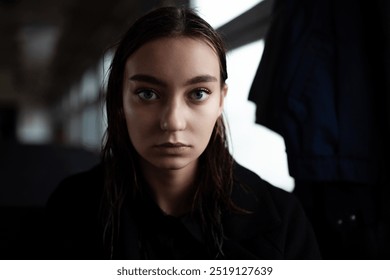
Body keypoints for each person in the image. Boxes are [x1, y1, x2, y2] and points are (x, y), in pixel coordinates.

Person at [45, 6, 320, 260]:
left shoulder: (282, 220)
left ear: (220, 100)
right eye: (147, 94)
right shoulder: (70, 209)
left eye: (198, 94)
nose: (173, 122)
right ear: (119, 100)